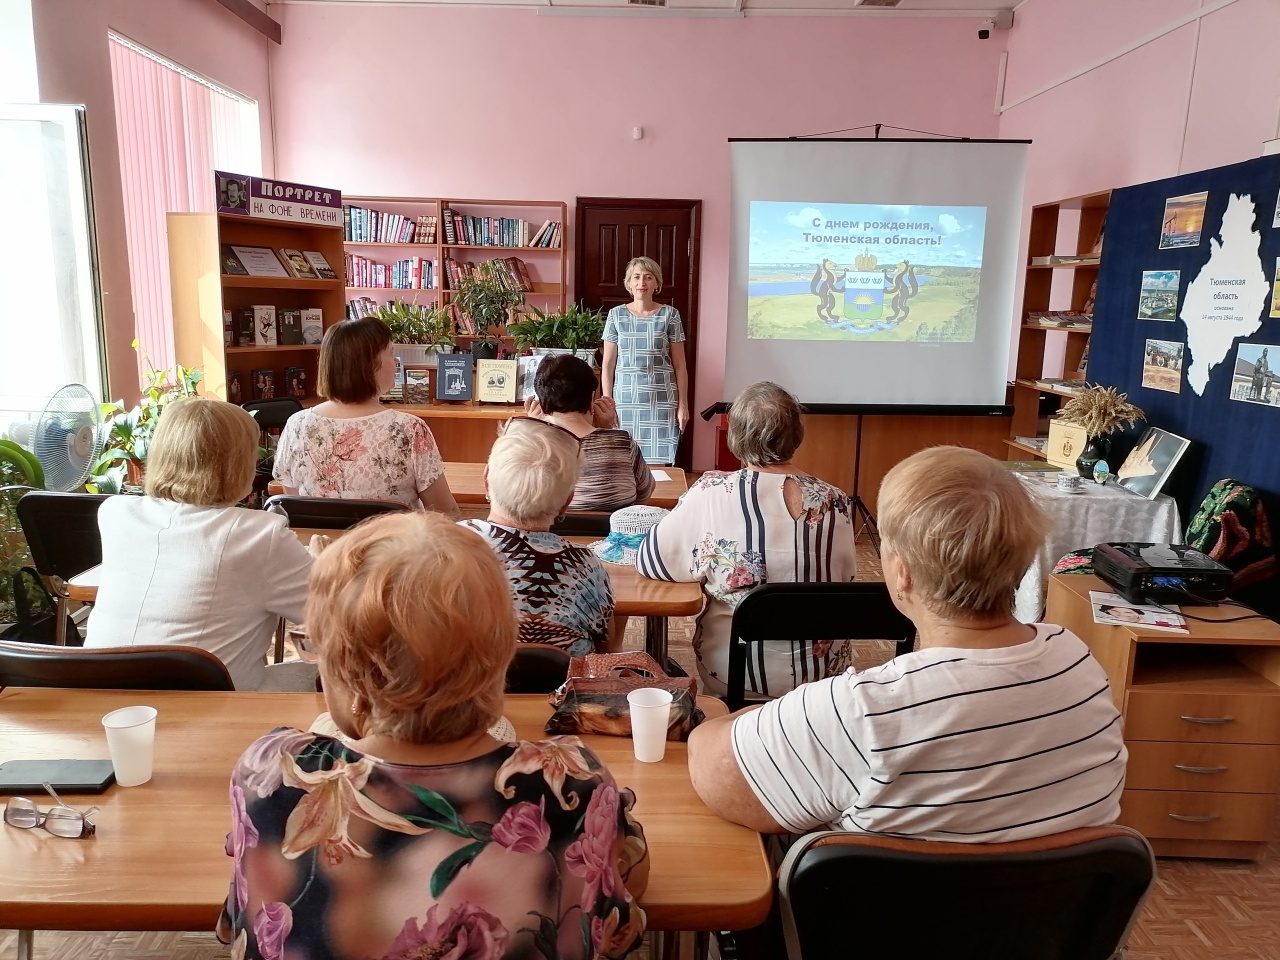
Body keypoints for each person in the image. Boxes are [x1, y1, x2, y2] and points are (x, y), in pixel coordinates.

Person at [218, 513, 648, 960]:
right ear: (501, 657)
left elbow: (241, 923)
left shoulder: (268, 771)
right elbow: (614, 927)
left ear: (346, 674)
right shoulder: (572, 779)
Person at [688, 445, 1127, 842]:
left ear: (902, 573)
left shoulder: (862, 712)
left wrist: (716, 714)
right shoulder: (1080, 665)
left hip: (874, 931)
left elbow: (714, 773)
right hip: (1048, 929)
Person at [636, 382, 856, 698]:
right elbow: (845, 580)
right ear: (797, 434)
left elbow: (652, 561)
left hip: (735, 676)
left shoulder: (711, 491)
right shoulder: (837, 501)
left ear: (735, 436)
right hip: (824, 684)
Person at [86, 398, 323, 691]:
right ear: (239, 462)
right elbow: (333, 616)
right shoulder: (258, 534)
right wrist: (324, 567)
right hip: (214, 707)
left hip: (101, 699)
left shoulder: (114, 513)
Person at [462, 417, 617, 654]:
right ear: (567, 502)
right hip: (561, 689)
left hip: (466, 688)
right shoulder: (586, 565)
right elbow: (607, 644)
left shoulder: (447, 543)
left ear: (485, 480)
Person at [274, 317, 459, 516]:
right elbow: (445, 513)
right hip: (392, 545)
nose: (396, 361)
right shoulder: (409, 429)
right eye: (391, 353)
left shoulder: (297, 425)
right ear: (371, 365)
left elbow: (296, 508)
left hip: (321, 545)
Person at [526, 353, 654, 512]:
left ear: (542, 404)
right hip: (613, 536)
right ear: (591, 398)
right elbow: (644, 494)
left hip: (551, 535)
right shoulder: (623, 443)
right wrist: (607, 432)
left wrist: (531, 429)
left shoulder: (529, 447)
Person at [602, 256, 688, 465]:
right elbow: (607, 366)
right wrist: (608, 404)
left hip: (661, 402)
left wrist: (683, 405)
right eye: (637, 277)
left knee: (659, 468)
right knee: (625, 461)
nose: (642, 283)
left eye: (648, 277)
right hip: (625, 402)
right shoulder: (615, 315)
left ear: (656, 283)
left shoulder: (670, 315)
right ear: (629, 283)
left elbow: (680, 365)